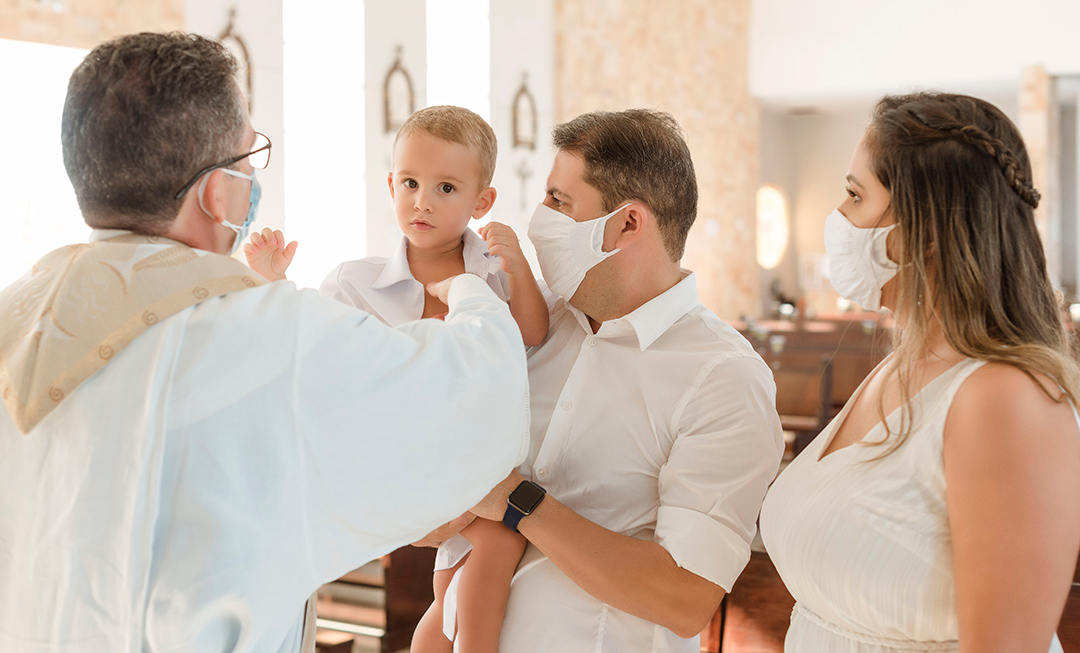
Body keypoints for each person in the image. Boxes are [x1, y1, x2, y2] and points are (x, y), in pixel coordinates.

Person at [0, 32, 530, 653]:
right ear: (215, 191)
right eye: (251, 156)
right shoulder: (274, 333)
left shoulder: (14, 316)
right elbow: (477, 389)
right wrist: (467, 291)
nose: (253, 176)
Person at [435, 109, 785, 652]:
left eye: (559, 201)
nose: (539, 219)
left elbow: (684, 598)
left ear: (626, 224)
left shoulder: (724, 379)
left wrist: (516, 500)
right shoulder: (523, 323)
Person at [759, 92, 1080, 652]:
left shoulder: (1006, 398)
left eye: (856, 196)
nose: (839, 218)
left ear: (925, 229)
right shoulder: (901, 364)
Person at [244, 105, 548, 653]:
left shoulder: (493, 273)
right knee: (495, 546)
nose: (422, 201)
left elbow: (531, 333)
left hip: (478, 461)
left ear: (482, 202)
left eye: (446, 188)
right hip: (401, 466)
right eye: (409, 183)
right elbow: (313, 358)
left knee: (456, 591)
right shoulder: (355, 283)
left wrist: (519, 266)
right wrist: (274, 285)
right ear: (390, 185)